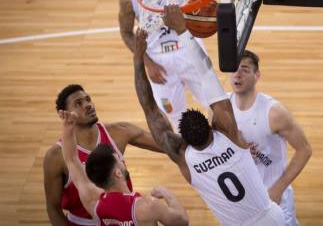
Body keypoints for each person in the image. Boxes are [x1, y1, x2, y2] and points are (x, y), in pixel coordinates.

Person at [132, 13, 286, 226]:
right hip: (271, 217)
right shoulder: (229, 134)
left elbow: (149, 108)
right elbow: (206, 73)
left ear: (183, 140)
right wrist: (183, 31)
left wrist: (138, 59)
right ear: (211, 125)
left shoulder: (184, 157)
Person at [119, 0, 209, 130]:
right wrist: (149, 64)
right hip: (159, 62)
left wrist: (198, 19)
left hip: (189, 49)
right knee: (175, 116)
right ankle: (189, 153)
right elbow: (127, 34)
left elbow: (207, 3)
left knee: (213, 101)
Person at [43, 84, 164, 225]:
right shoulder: (55, 157)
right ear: (65, 114)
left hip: (123, 217)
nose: (87, 105)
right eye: (78, 104)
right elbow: (53, 207)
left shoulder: (119, 132)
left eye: (88, 99)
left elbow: (166, 145)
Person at [58, 109, 189, 226]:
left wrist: (67, 127)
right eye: (118, 160)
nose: (121, 161)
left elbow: (71, 160)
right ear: (118, 173)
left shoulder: (93, 202)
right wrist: (166, 193)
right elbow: (182, 221)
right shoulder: (148, 206)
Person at [229, 50, 312, 226]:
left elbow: (304, 150)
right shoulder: (221, 110)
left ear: (256, 75)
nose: (237, 74)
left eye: (244, 69)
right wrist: (237, 148)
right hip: (242, 201)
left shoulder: (274, 112)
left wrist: (278, 189)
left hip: (273, 198)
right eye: (234, 69)